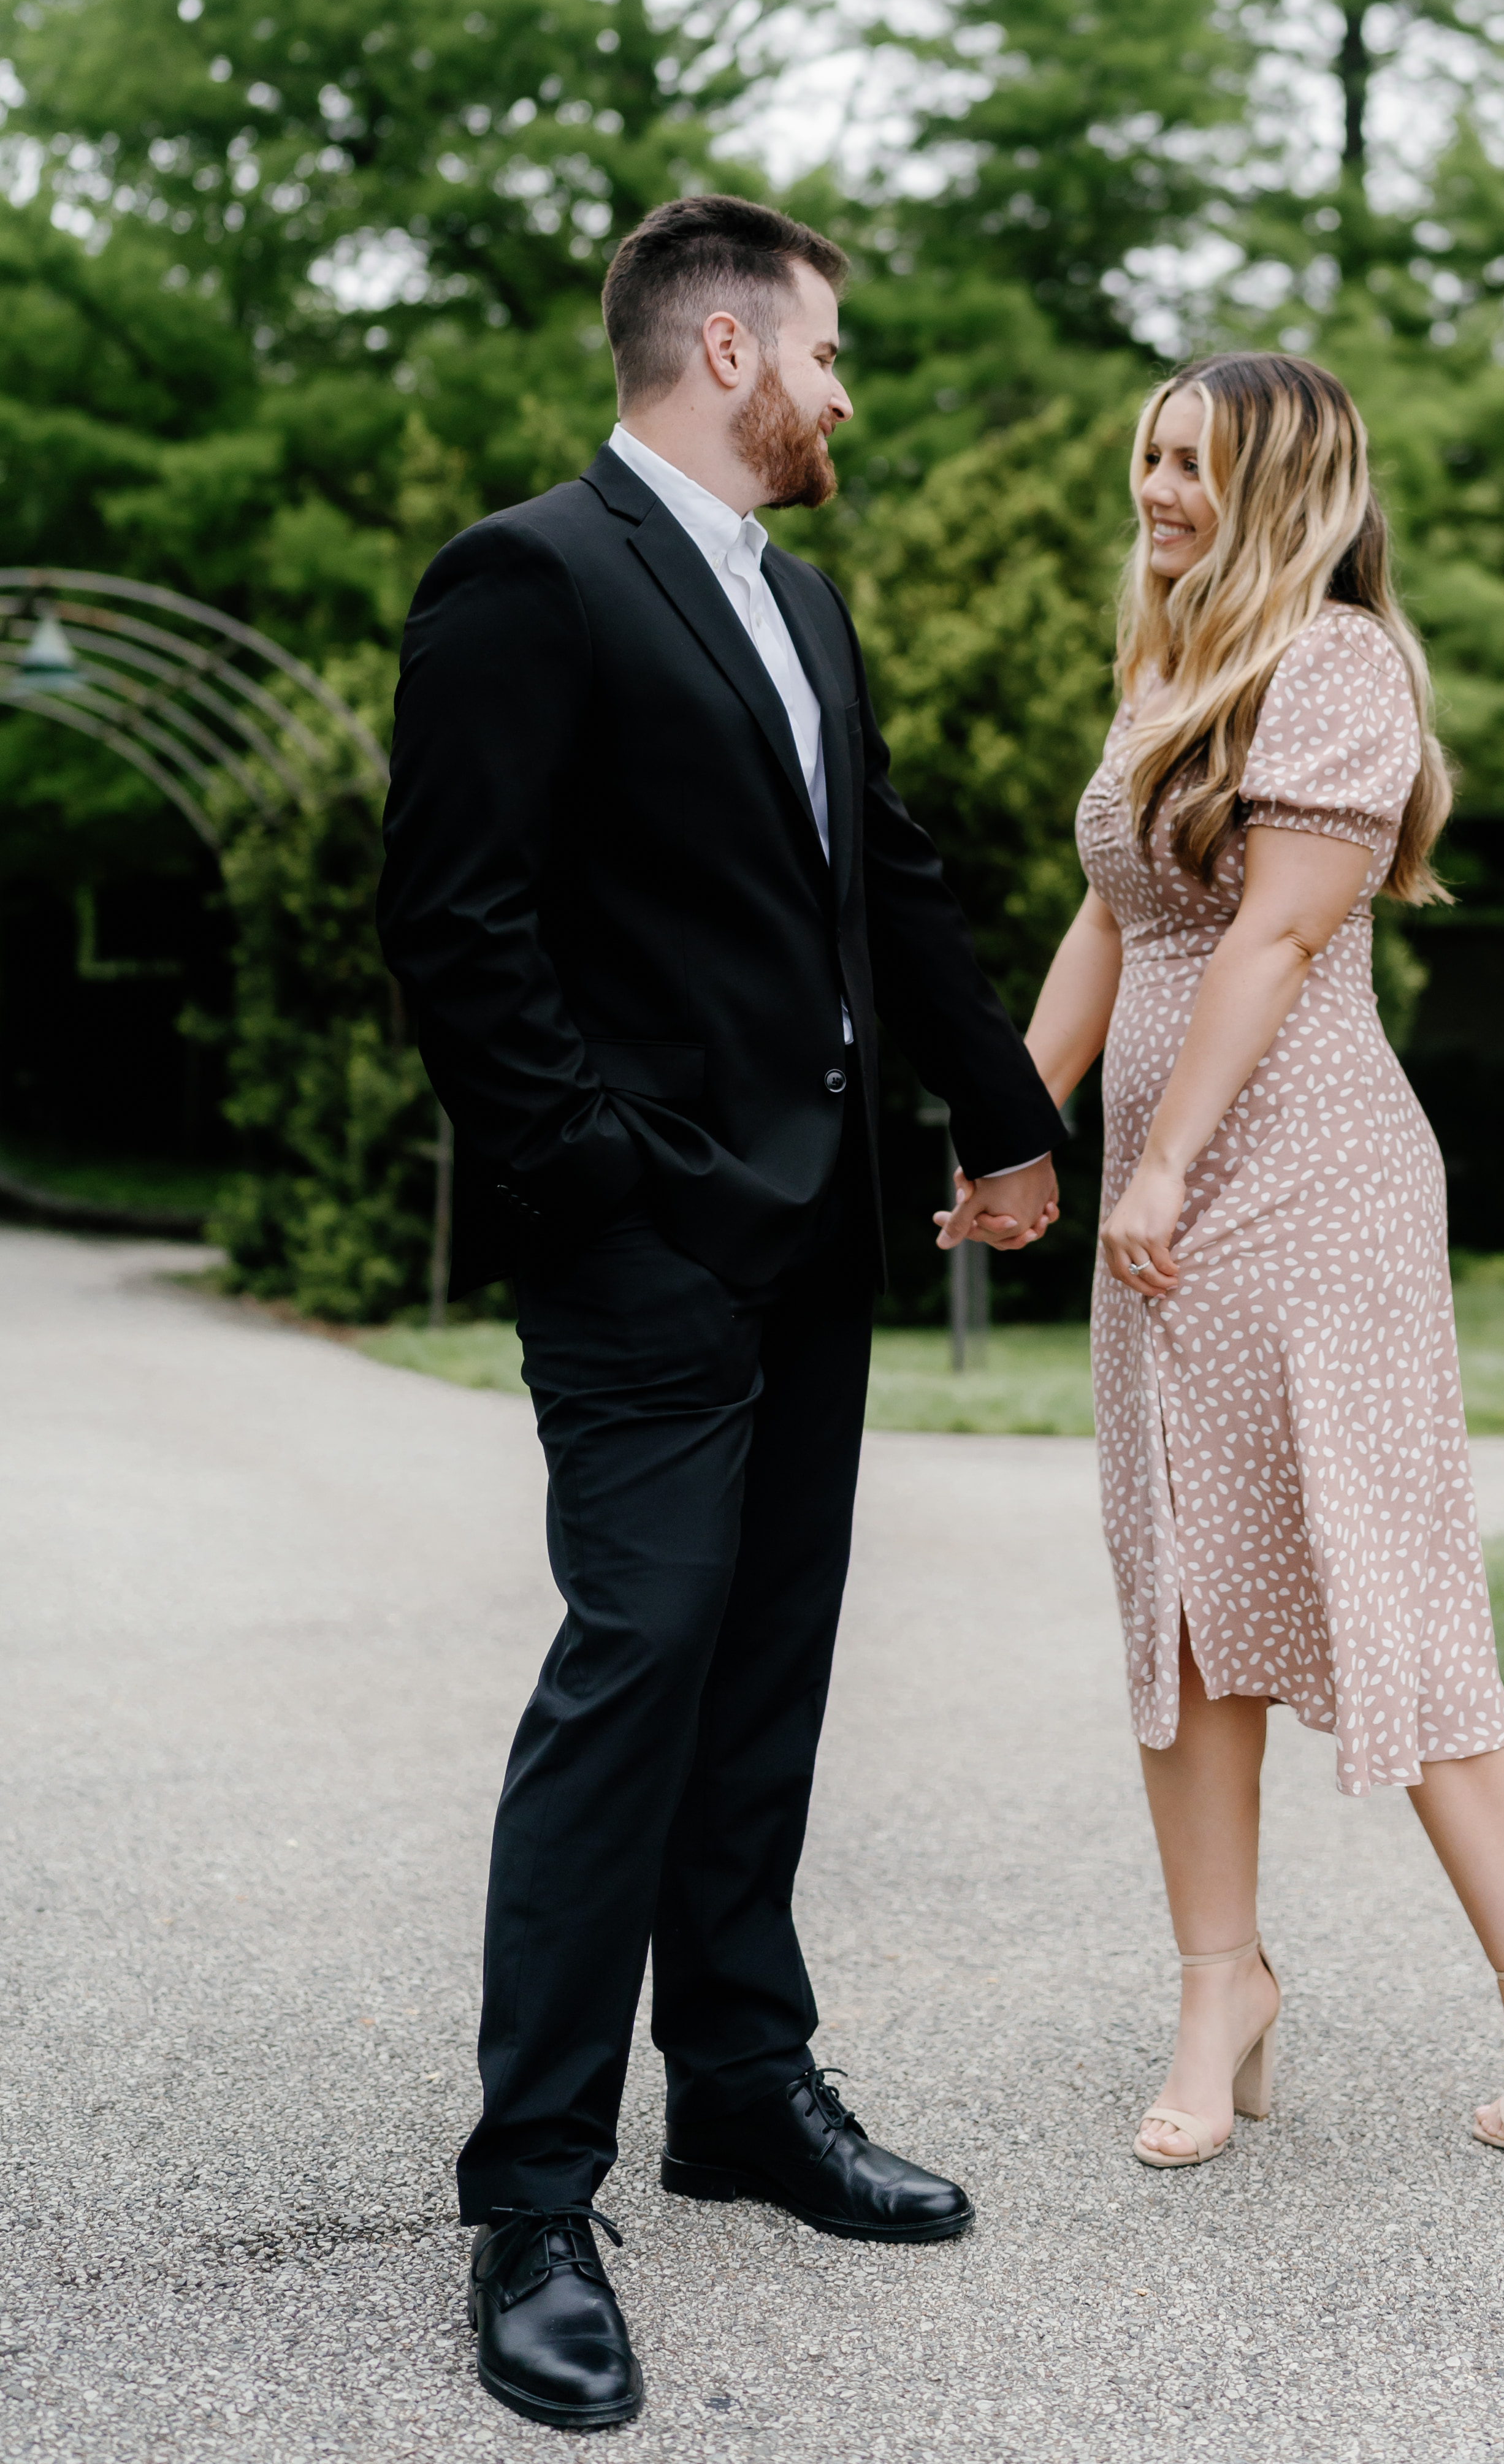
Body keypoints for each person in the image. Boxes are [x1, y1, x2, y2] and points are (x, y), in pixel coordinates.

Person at [378, 194, 1066, 2434]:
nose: (849, 394)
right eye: (832, 355)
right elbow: (456, 931)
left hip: (823, 1243)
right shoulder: (531, 576)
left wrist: (1004, 1109)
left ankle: (747, 2098)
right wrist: (606, 1186)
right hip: (649, 1249)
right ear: (730, 352)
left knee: (764, 1674)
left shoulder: (805, 603)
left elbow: (895, 875)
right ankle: (532, 2195)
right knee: (636, 1671)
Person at [1011, 352, 1504, 2168]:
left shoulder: (1338, 666)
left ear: (1287, 490)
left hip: (1305, 1192)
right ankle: (1219, 1982)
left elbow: (1277, 942)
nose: (1157, 491)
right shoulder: (1169, 670)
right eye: (1148, 455)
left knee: (1379, 1575)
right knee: (1186, 1588)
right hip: (1169, 1201)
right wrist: (1019, 1128)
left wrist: (1153, 1170)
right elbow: (1113, 916)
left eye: (1197, 467)